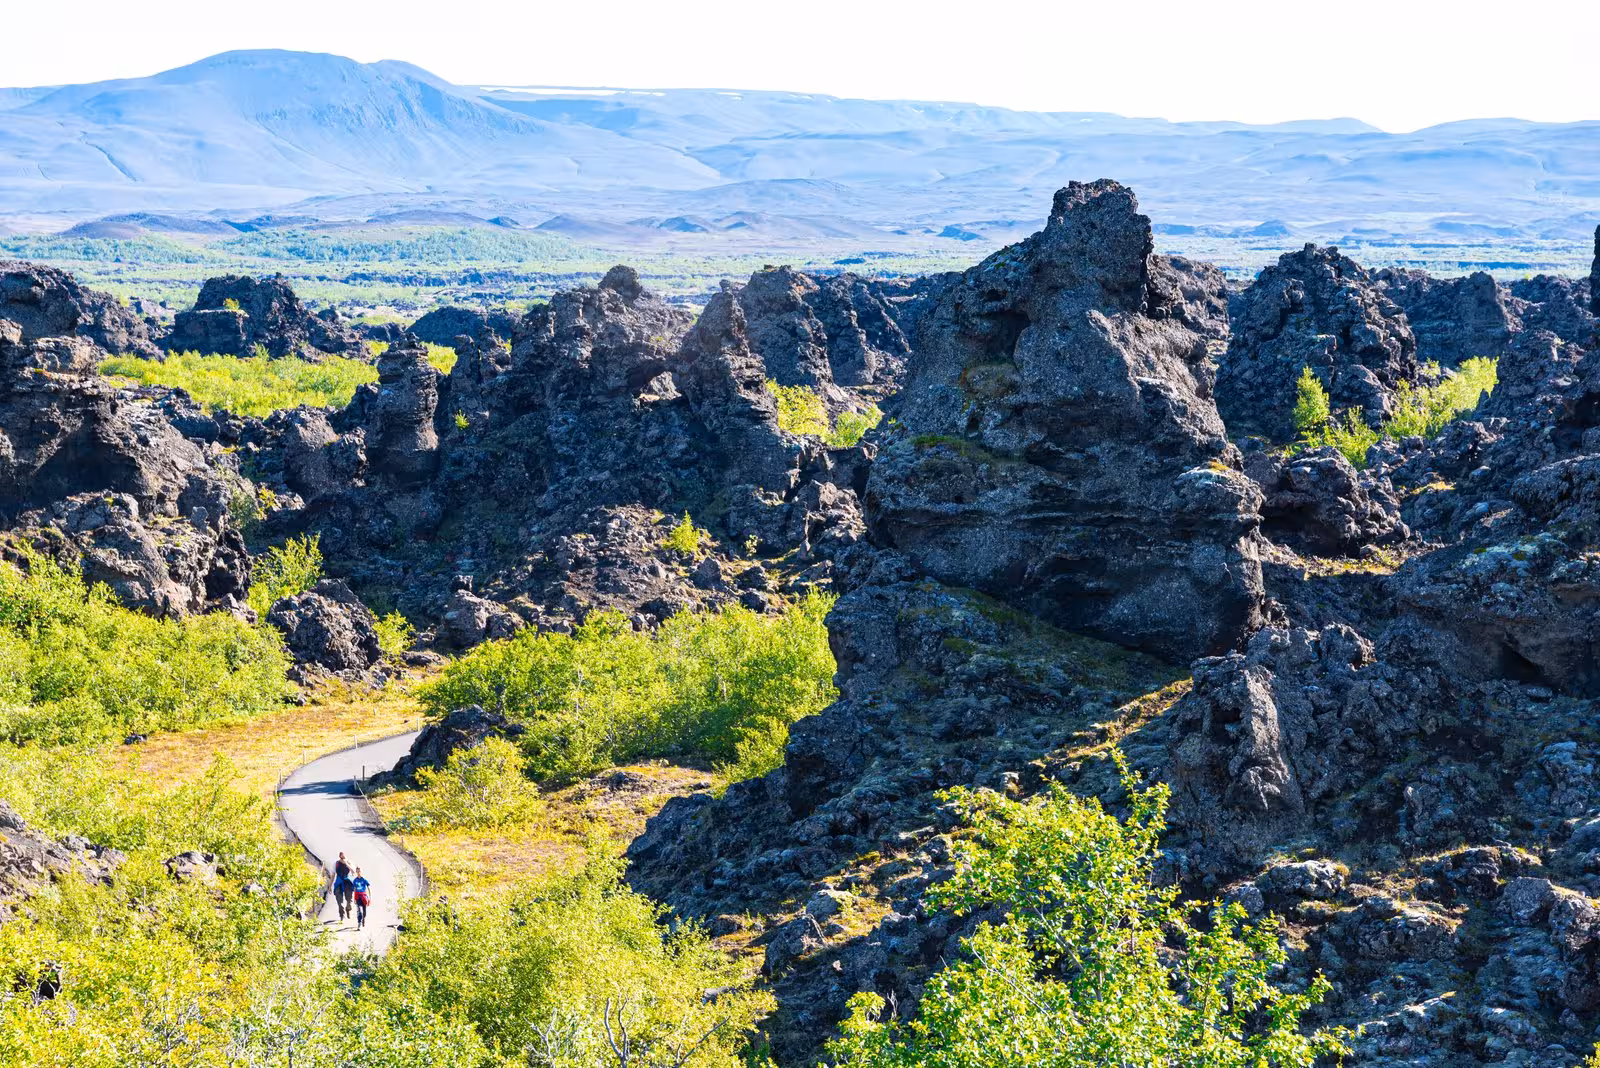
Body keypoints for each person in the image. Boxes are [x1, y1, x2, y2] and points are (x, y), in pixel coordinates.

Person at [332, 852, 353, 921]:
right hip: (339, 881)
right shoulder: (336, 863)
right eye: (341, 855)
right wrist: (330, 886)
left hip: (347, 881)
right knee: (339, 899)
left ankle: (348, 908)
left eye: (343, 855)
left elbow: (353, 871)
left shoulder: (349, 862)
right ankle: (342, 914)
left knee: (349, 898)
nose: (342, 857)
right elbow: (333, 875)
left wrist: (346, 863)